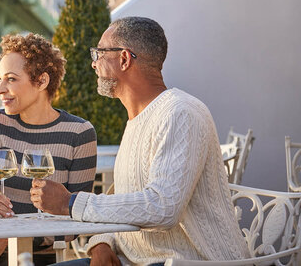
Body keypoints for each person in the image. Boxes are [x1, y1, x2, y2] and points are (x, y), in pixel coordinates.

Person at [30, 17, 249, 265]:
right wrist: (101, 243)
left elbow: (163, 207)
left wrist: (70, 202)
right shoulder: (138, 120)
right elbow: (126, 200)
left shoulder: (180, 113)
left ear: (124, 59)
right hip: (137, 260)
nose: (94, 64)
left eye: (99, 53)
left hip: (193, 261)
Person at [0, 33, 97, 266]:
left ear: (42, 81)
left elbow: (77, 220)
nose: (0, 89)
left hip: (36, 255)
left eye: (11, 79)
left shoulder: (79, 133)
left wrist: (9, 238)